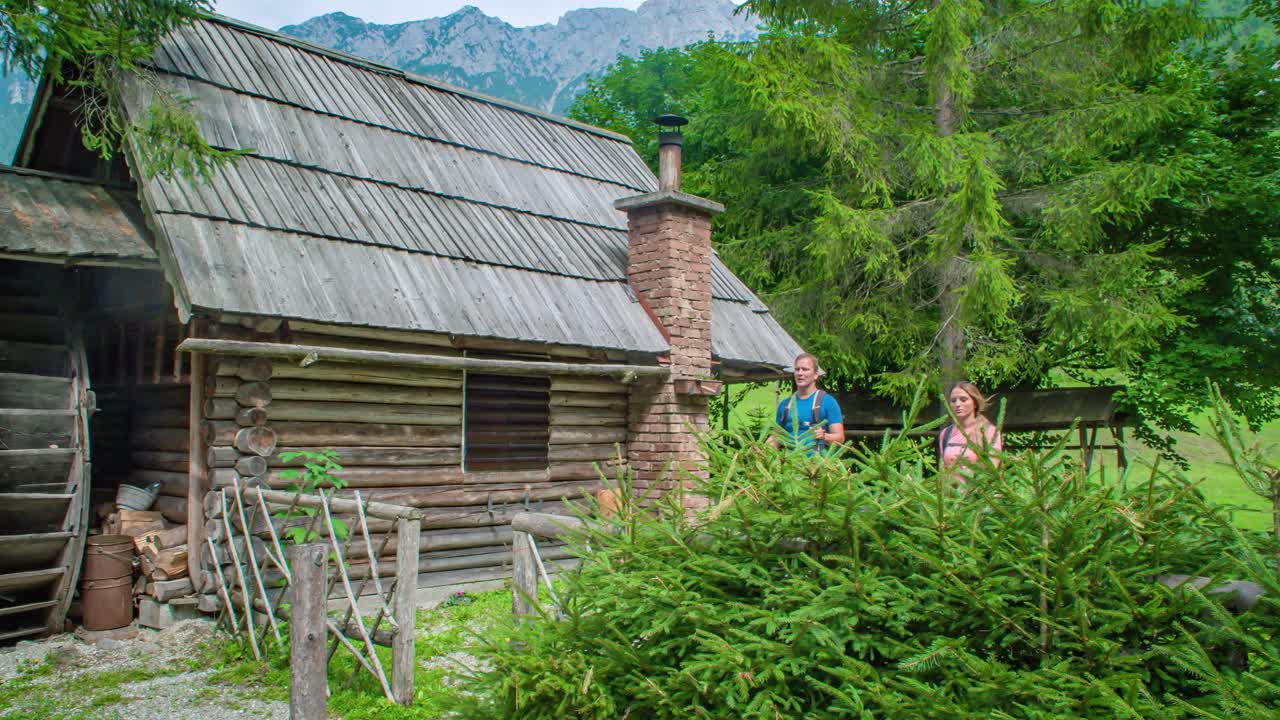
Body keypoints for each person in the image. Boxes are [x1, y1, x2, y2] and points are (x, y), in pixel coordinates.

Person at [774, 353, 845, 454]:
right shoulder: (785, 405)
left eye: (805, 369)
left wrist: (824, 436)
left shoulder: (828, 402)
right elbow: (776, 437)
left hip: (817, 465)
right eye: (797, 369)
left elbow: (840, 438)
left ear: (816, 375)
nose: (800, 373)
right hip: (790, 464)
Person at [939, 381, 1002, 470]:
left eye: (963, 400)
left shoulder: (989, 431)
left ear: (975, 403)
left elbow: (992, 468)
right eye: (953, 401)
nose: (957, 404)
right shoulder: (945, 434)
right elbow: (943, 470)